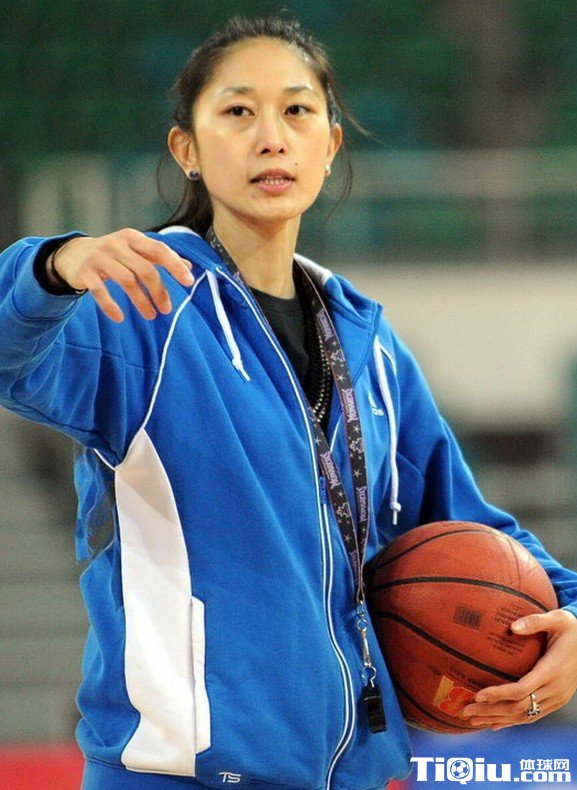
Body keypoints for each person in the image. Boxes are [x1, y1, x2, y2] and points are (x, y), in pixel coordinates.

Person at [1, 15, 576, 790]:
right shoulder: (144, 305)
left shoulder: (368, 344)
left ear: (329, 144)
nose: (271, 137)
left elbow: (466, 524)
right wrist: (49, 265)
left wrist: (567, 614)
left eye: (297, 110)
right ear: (186, 149)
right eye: (238, 111)